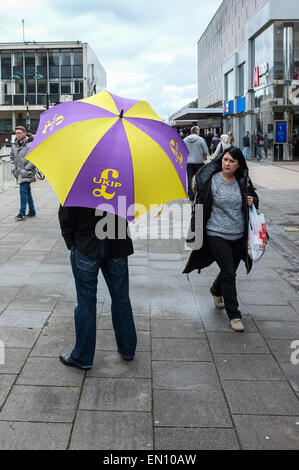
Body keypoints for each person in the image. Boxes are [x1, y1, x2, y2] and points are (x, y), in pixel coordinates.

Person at [183, 147, 259, 332]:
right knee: (229, 272)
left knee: (229, 270)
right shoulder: (212, 181)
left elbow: (254, 198)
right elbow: (198, 198)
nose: (227, 163)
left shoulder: (243, 181)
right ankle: (234, 314)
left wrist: (252, 200)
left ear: (238, 164)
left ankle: (216, 290)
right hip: (215, 233)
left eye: (232, 161)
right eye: (225, 159)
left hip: (238, 234)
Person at [58, 207, 137, 370]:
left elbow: (66, 217)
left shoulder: (76, 182)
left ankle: (83, 357)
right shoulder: (124, 182)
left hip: (86, 244)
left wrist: (71, 241)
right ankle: (127, 348)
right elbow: (130, 210)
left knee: (86, 302)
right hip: (117, 243)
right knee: (121, 298)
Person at [10, 126, 36, 221]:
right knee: (27, 192)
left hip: (27, 172)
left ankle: (22, 212)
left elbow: (34, 159)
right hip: (18, 173)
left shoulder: (30, 145)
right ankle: (32, 211)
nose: (18, 135)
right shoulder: (14, 146)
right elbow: (12, 158)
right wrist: (13, 169)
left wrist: (26, 169)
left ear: (24, 133)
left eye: (20, 133)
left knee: (22, 191)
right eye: (17, 133)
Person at [184, 126, 208, 201]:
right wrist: (204, 156)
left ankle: (191, 195)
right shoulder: (201, 140)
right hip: (199, 162)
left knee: (190, 178)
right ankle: (198, 194)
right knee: (199, 178)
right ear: (197, 132)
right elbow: (205, 151)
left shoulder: (185, 140)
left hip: (188, 163)